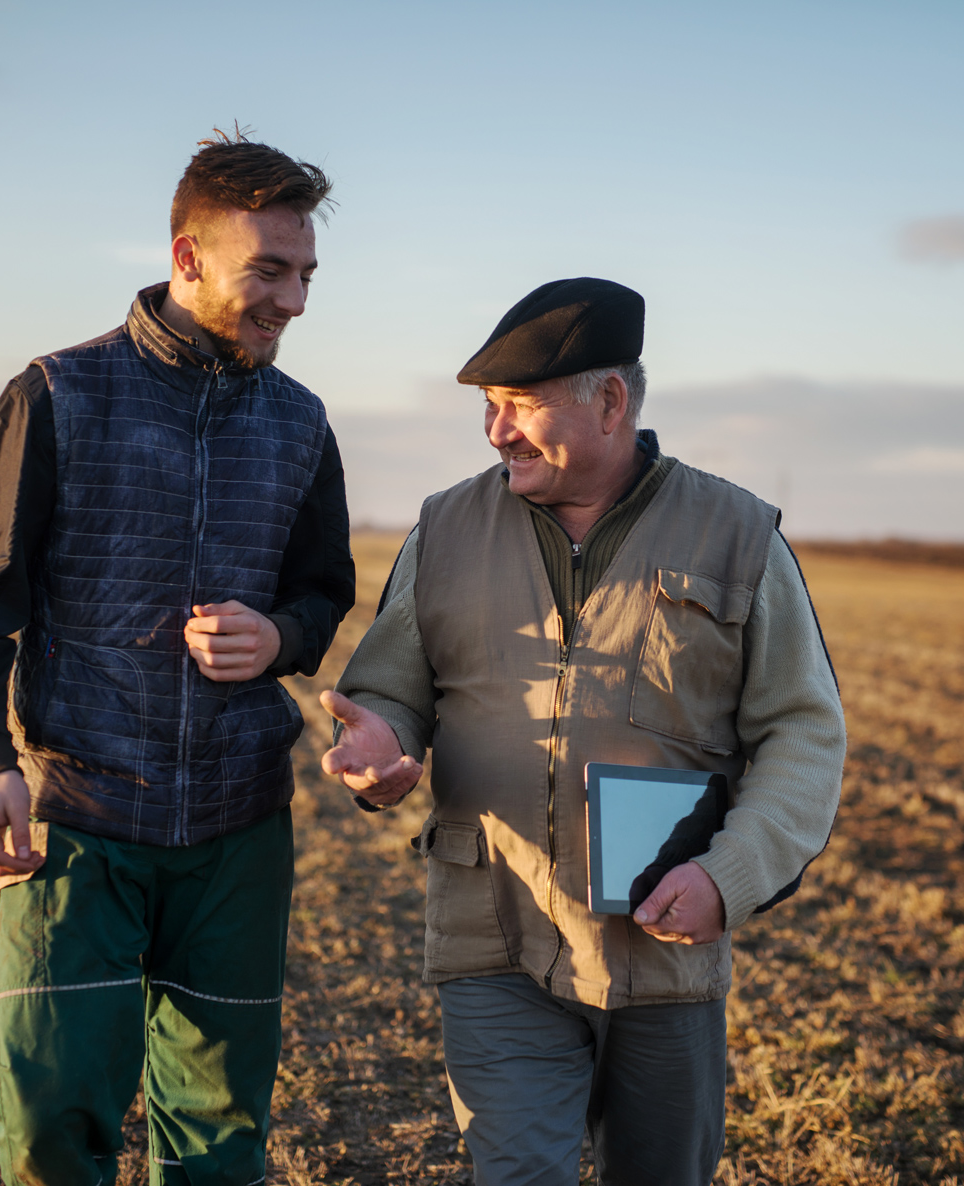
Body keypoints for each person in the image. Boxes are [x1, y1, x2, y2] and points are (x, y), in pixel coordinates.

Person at [320, 278, 845, 1186]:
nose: (496, 433)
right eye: (489, 408)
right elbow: (390, 688)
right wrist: (380, 748)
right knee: (517, 1171)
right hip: (494, 935)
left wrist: (730, 877)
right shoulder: (445, 528)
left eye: (521, 406)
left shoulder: (738, 534)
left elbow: (803, 734)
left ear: (611, 402)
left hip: (665, 947)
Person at [0, 129, 355, 1186]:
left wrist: (279, 636)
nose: (295, 299)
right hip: (78, 818)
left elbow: (326, 593)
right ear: (187, 257)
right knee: (48, 1126)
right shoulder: (54, 393)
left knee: (221, 1146)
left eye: (307, 272)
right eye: (268, 270)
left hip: (238, 828)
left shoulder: (304, 424)